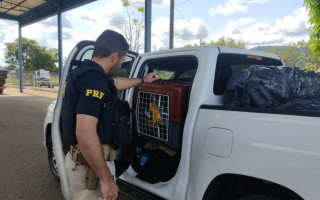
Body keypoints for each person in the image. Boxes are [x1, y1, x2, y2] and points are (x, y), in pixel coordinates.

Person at [61, 29, 159, 200]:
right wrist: (106, 180)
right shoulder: (94, 80)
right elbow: (85, 133)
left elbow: (116, 84)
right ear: (114, 56)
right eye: (122, 60)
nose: (121, 64)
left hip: (84, 164)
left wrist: (142, 80)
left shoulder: (89, 74)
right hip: (89, 170)